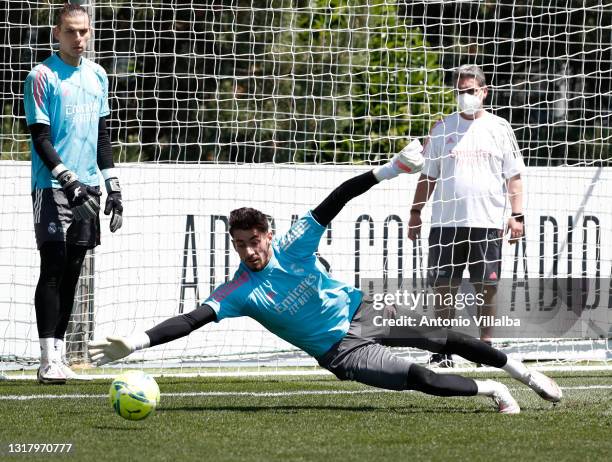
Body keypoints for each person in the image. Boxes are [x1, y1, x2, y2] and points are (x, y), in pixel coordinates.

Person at [89, 141, 560, 414]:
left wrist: (391, 169)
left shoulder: (294, 243)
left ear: (268, 235)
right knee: (419, 376)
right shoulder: (238, 291)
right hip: (340, 350)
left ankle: (522, 372)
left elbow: (337, 198)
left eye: (255, 241)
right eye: (241, 244)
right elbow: (190, 320)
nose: (250, 251)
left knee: (443, 336)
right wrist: (136, 343)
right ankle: (493, 390)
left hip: (364, 310)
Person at [24, 3, 123, 384]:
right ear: (56, 33)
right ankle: (46, 359)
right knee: (52, 266)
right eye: (71, 31)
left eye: (84, 31)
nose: (79, 38)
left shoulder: (98, 75)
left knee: (73, 270)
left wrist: (112, 186)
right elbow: (41, 139)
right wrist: (69, 180)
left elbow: (102, 137)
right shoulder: (41, 76)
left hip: (90, 187)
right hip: (52, 186)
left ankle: (60, 356)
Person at [407, 64, 525, 367]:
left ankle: (486, 349)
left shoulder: (500, 128)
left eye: (470, 91)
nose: (465, 97)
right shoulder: (443, 128)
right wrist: (415, 212)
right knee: (444, 289)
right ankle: (442, 349)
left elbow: (514, 177)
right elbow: (428, 177)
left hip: (486, 223)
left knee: (487, 288)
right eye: (460, 92)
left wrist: (517, 215)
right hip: (446, 224)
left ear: (484, 92)